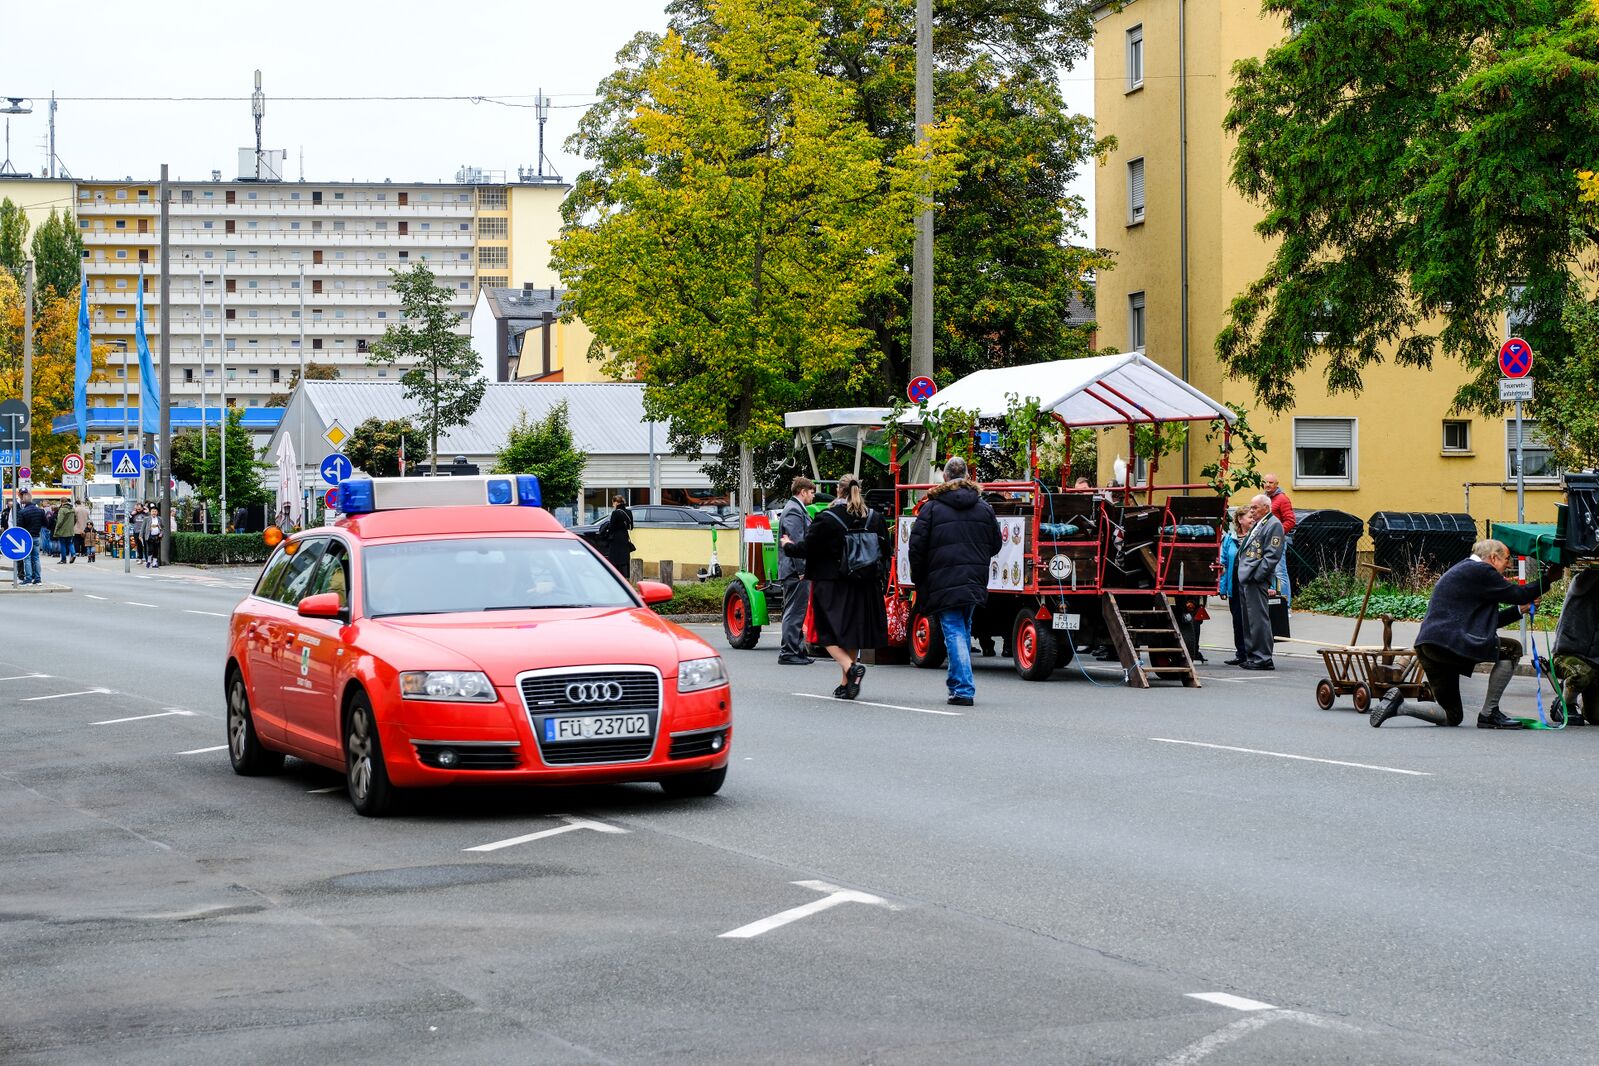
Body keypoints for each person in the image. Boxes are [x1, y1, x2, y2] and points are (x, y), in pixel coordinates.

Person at [1371, 540, 1561, 728]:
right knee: (1512, 649)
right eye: (1507, 559)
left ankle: (1399, 706)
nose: (1509, 565)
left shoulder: (1466, 571)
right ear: (1493, 558)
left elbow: (1485, 624)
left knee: (1451, 715)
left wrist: (1520, 610)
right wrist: (1548, 579)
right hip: (1451, 643)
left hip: (1430, 646)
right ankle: (1489, 713)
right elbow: (1518, 594)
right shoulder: (1482, 571)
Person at [781, 473, 889, 700]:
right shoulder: (875, 518)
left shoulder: (827, 518)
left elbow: (808, 548)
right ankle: (846, 685)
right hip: (866, 584)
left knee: (825, 631)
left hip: (833, 584)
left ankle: (851, 668)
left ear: (839, 491)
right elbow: (885, 551)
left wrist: (788, 546)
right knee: (852, 633)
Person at [907, 456, 1003, 706]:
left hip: (942, 577)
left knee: (954, 630)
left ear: (945, 477)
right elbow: (996, 544)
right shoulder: (983, 507)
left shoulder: (931, 507)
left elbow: (916, 547)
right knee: (962, 628)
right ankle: (956, 684)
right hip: (974, 577)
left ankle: (963, 689)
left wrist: (920, 577)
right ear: (968, 476)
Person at [1235, 493, 1283, 670]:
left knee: (1258, 620)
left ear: (1266, 508)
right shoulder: (1260, 523)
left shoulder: (1273, 524)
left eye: (1255, 507)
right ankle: (1253, 656)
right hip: (1247, 577)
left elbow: (1272, 555)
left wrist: (1258, 576)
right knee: (1249, 620)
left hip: (1255, 578)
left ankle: (1263, 658)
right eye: (1251, 507)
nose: (1252, 511)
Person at [776, 476, 817, 665]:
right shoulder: (794, 510)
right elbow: (796, 542)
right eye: (812, 493)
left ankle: (797, 651)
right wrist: (802, 570)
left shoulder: (796, 508)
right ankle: (788, 652)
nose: (813, 496)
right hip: (795, 571)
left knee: (797, 611)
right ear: (803, 492)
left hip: (794, 570)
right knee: (794, 612)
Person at [1553, 569, 1599, 727]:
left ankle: (1580, 700)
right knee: (1581, 674)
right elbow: (1584, 580)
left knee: (1596, 718)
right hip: (1567, 656)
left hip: (1595, 664)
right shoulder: (1583, 584)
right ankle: (1565, 703)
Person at [1220, 508, 1255, 666]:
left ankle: (1253, 654)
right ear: (1240, 520)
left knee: (1252, 621)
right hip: (1234, 585)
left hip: (1250, 585)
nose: (1252, 519)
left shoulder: (1255, 537)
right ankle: (1241, 653)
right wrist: (1223, 588)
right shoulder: (1229, 539)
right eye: (1249, 517)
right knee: (1237, 621)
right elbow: (1223, 564)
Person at [1262, 473, 1296, 606]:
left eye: (1271, 482)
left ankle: (1285, 606)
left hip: (1278, 542)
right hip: (1264, 541)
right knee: (1267, 572)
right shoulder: (1264, 499)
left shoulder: (1282, 499)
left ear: (1276, 484)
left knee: (1280, 573)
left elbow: (1290, 520)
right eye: (1266, 482)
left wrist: (1277, 533)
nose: (1268, 485)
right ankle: (1272, 605)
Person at [12, 490, 48, 585]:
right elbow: (46, 523)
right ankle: (38, 579)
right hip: (36, 536)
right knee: (36, 558)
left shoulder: (23, 512)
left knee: (27, 558)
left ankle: (28, 579)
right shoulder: (40, 511)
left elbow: (19, 526)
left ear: (24, 501)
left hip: (26, 537)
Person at [599, 495, 634, 578]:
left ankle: (616, 578)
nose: (613, 505)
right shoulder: (629, 512)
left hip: (615, 540)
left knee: (615, 560)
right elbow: (631, 527)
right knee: (624, 560)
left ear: (616, 502)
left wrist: (606, 532)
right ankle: (626, 577)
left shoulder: (615, 513)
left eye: (613, 503)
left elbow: (612, 527)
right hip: (625, 538)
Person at [53, 499, 77, 565]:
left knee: (63, 544)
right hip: (70, 530)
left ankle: (63, 559)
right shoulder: (72, 509)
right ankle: (73, 554)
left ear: (61, 502)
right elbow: (75, 519)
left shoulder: (62, 509)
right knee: (70, 543)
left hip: (63, 530)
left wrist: (57, 528)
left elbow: (59, 521)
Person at [72, 497, 89, 562]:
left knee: (76, 540)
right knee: (83, 540)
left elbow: (74, 519)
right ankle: (84, 552)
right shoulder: (86, 510)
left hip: (77, 527)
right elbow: (88, 518)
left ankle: (77, 552)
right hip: (84, 527)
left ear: (76, 504)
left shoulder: (75, 510)